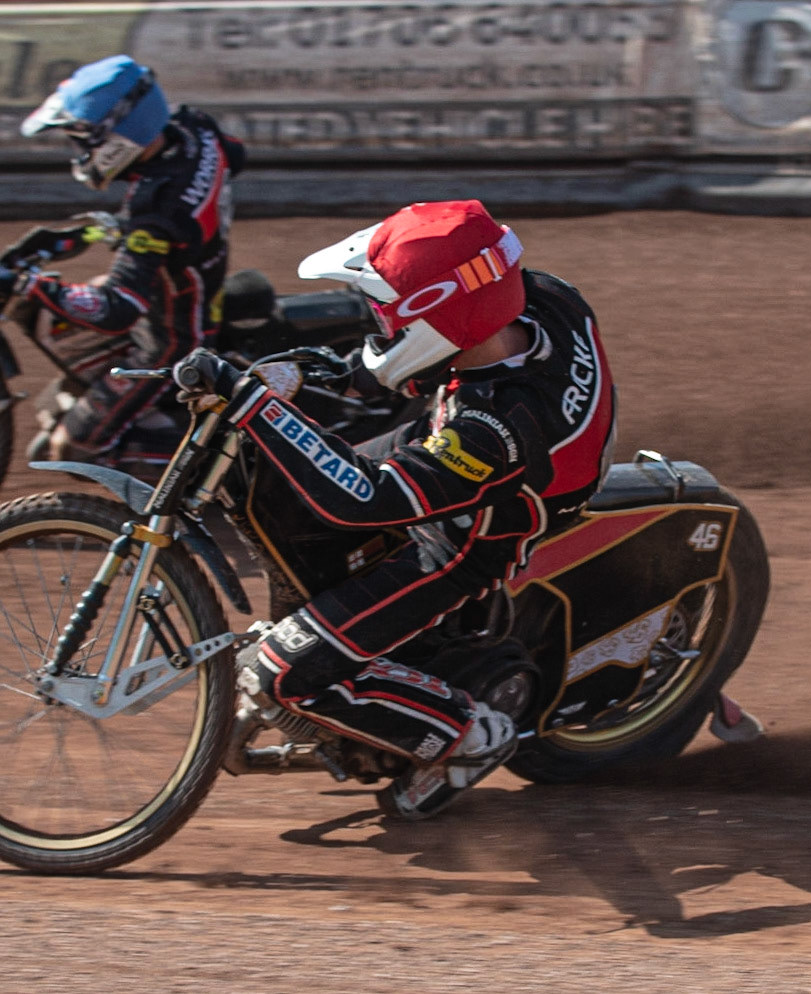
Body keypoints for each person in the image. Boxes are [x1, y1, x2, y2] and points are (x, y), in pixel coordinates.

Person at [172, 199, 618, 818]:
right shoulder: (538, 298)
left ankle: (468, 736)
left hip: (469, 539)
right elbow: (423, 356)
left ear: (439, 316)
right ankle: (348, 641)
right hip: (480, 457)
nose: (376, 320)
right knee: (293, 493)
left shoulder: (492, 427)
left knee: (277, 674)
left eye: (385, 310)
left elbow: (365, 499)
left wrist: (255, 406)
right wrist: (328, 372)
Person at [0, 54, 246, 461]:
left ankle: (217, 466)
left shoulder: (155, 213)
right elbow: (235, 156)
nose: (80, 150)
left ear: (120, 135)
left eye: (84, 140)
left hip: (172, 338)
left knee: (69, 447)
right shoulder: (194, 126)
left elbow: (117, 309)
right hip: (196, 283)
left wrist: (27, 284)